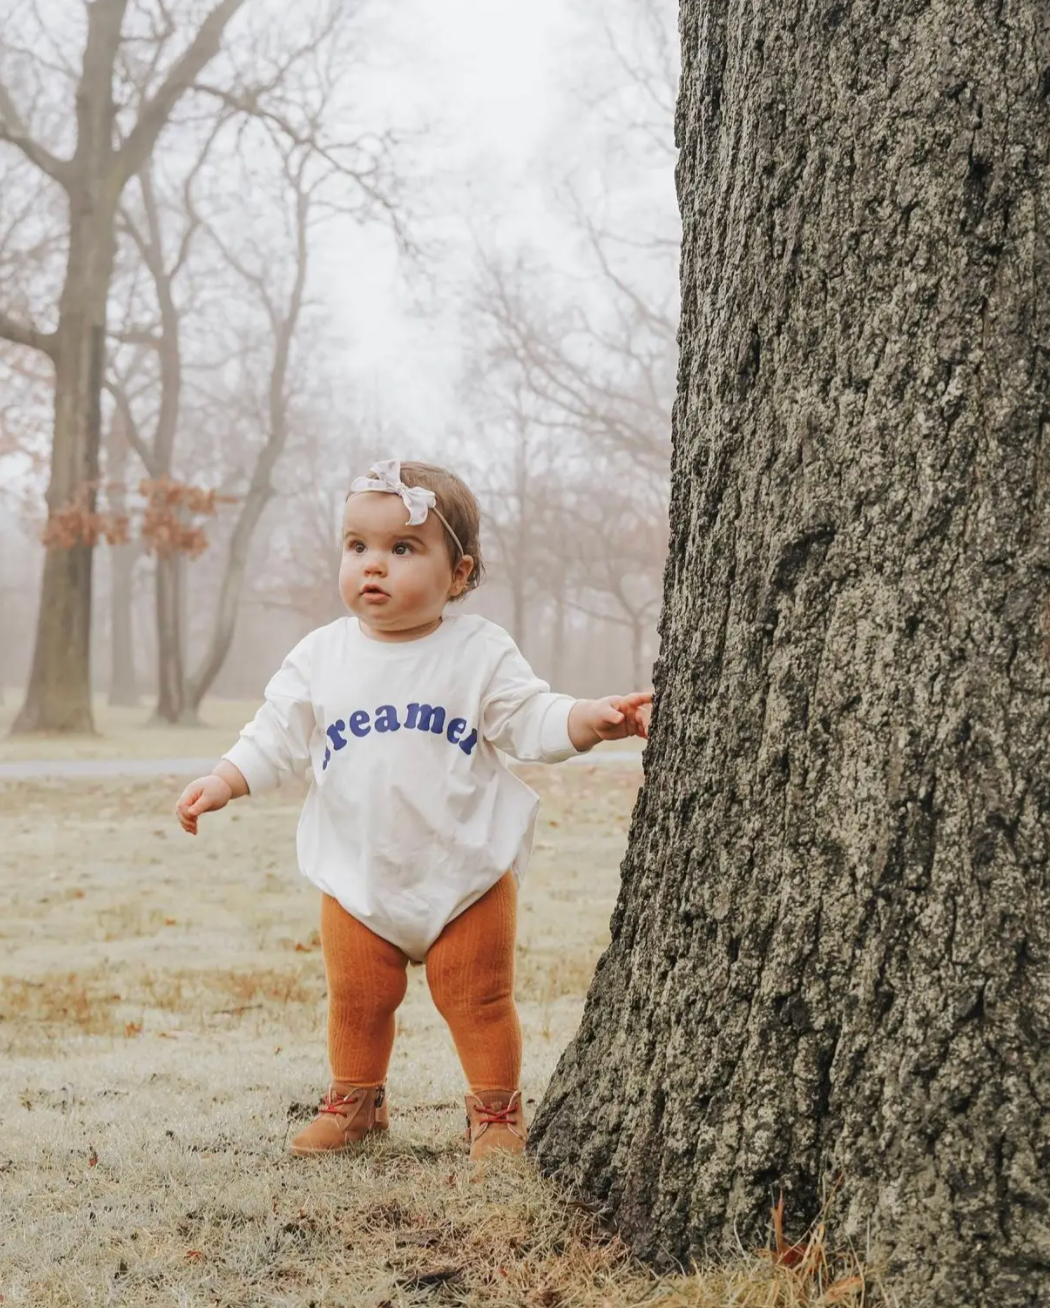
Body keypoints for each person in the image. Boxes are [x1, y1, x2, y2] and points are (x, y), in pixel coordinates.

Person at [174, 459, 652, 1160]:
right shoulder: (320, 656)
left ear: (458, 574)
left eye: (402, 548)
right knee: (358, 999)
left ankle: (494, 1114)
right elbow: (274, 737)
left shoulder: (477, 651)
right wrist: (224, 779)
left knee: (480, 1000)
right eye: (356, 546)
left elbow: (530, 718)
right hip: (359, 877)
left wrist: (589, 718)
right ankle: (355, 1101)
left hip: (464, 874)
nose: (374, 564)